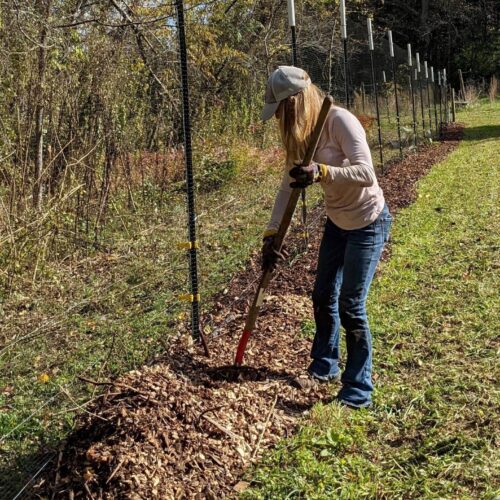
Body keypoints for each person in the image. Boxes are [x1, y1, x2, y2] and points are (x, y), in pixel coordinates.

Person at [260, 66, 392, 409]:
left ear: (296, 102)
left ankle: (358, 389)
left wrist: (321, 171)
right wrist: (272, 233)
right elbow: (286, 185)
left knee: (350, 303)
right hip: (337, 222)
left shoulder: (338, 120)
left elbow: (366, 173)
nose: (281, 120)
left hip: (368, 221)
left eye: (283, 111)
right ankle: (324, 366)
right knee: (322, 294)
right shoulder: (303, 135)